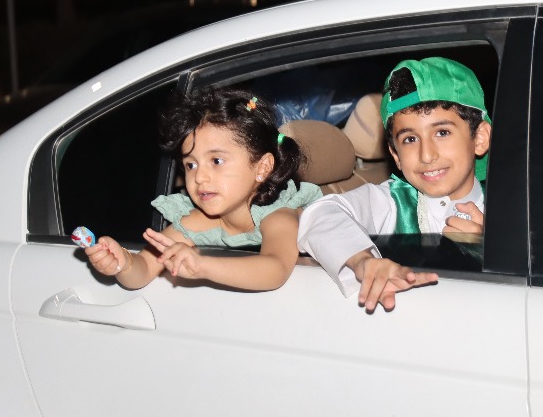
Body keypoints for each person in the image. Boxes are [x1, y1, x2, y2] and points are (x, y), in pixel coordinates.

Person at [297, 56, 492, 312]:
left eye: (442, 133)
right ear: (396, 155)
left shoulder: (516, 203)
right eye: (410, 139)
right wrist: (363, 260)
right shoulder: (394, 202)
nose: (426, 155)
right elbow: (320, 214)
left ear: (479, 138)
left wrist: (493, 247)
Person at [85, 87, 322, 291]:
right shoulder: (198, 221)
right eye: (190, 165)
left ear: (262, 167)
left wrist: (202, 265)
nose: (199, 177)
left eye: (216, 161)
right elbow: (145, 268)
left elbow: (275, 269)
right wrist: (122, 263)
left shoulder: (279, 214)